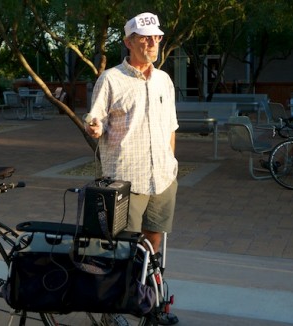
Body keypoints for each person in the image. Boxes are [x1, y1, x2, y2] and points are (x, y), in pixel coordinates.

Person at [85, 12, 179, 325]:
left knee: (153, 247)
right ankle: (111, 314)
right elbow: (94, 118)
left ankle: (146, 302)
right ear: (128, 42)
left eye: (156, 37)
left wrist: (172, 164)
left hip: (162, 180)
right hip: (126, 181)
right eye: (145, 38)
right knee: (122, 251)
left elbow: (171, 128)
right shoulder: (111, 79)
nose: (153, 43)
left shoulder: (165, 80)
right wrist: (95, 128)